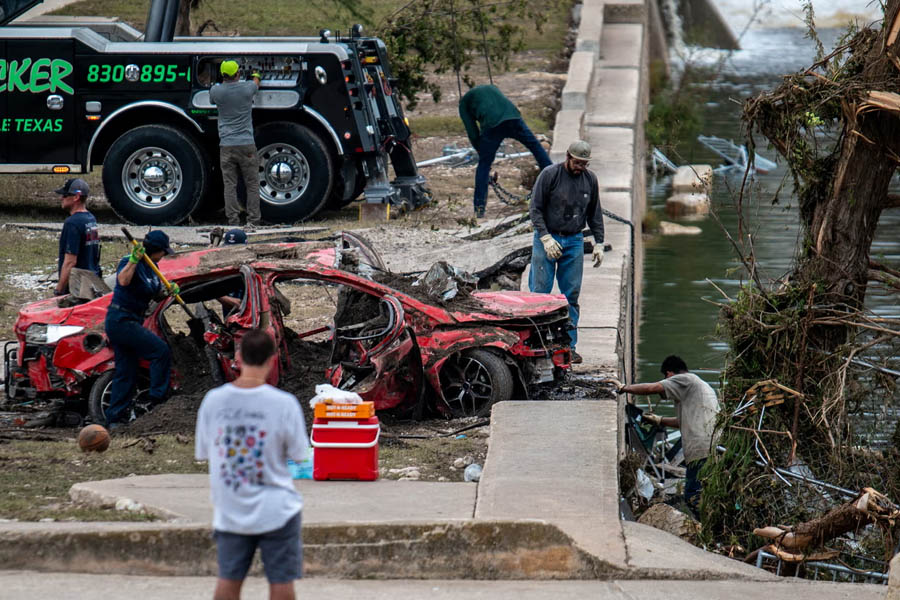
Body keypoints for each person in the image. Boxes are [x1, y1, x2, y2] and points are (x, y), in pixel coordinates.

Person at [195, 329, 308, 600]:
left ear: (238, 357)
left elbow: (205, 452)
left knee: (228, 580)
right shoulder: (285, 404)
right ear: (272, 359)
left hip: (230, 509)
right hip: (277, 509)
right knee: (281, 581)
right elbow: (300, 454)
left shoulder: (213, 401)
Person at [528, 140, 605, 364]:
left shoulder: (590, 180)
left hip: (574, 240)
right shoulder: (549, 175)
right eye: (577, 162)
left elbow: (595, 213)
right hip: (548, 237)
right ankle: (538, 343)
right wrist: (544, 237)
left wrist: (599, 242)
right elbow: (536, 208)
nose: (581, 167)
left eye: (584, 164)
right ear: (568, 158)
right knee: (539, 293)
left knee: (570, 295)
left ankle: (569, 346)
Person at [616, 355, 721, 517]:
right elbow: (683, 421)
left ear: (669, 374)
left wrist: (624, 388)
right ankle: (711, 527)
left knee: (693, 495)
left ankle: (706, 530)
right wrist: (659, 420)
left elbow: (652, 388)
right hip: (713, 446)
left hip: (700, 449)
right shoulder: (701, 385)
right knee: (705, 492)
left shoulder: (684, 379)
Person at [103, 230, 177, 428]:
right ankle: (158, 400)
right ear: (155, 250)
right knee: (160, 351)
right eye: (163, 252)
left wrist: (169, 292)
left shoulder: (152, 268)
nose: (163, 256)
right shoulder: (130, 261)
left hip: (133, 321)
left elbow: (154, 294)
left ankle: (115, 418)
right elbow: (123, 281)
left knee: (127, 371)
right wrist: (134, 260)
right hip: (120, 320)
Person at [458, 84, 552, 218]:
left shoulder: (463, 104)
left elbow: (472, 131)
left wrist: (480, 149)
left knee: (484, 165)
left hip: (492, 125)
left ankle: (479, 209)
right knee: (536, 147)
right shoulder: (492, 87)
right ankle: (555, 183)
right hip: (513, 116)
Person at [210, 60, 261, 228]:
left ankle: (233, 221)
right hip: (246, 144)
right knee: (252, 183)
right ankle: (253, 221)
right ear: (238, 74)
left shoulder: (216, 91)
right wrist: (256, 74)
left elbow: (211, 99)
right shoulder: (247, 88)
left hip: (226, 145)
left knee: (229, 185)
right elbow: (256, 82)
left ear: (223, 75)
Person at [54, 178, 100, 296]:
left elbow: (70, 262)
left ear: (76, 197)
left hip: (76, 288)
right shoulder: (91, 219)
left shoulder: (72, 223)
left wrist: (59, 290)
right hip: (91, 283)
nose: (61, 198)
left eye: (65, 195)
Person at [218, 228, 247, 313]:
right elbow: (209, 289)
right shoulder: (222, 266)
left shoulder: (251, 265)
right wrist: (228, 300)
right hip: (231, 313)